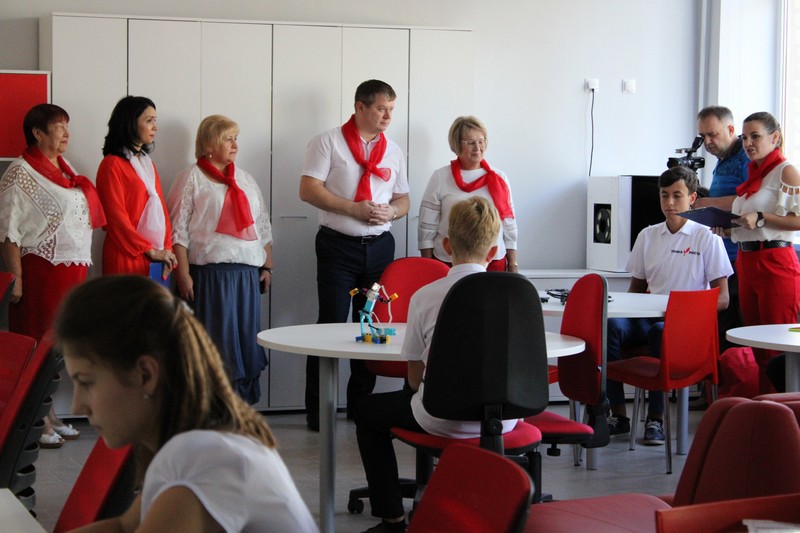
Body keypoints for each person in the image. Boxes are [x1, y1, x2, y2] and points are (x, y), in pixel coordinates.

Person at [54, 275, 318, 533]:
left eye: (86, 382)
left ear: (145, 375)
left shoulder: (208, 458)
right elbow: (124, 527)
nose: (77, 407)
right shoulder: (191, 446)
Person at [354, 196, 504, 533]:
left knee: (366, 411)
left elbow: (413, 380)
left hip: (441, 417)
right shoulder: (517, 294)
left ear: (446, 246)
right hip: (503, 420)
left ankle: (392, 519)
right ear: (494, 252)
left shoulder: (426, 296)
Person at [299, 80, 410, 431]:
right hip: (338, 247)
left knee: (369, 326)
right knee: (330, 324)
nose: (388, 116)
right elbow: (308, 190)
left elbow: (404, 199)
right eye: (381, 109)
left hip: (379, 249)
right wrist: (353, 209)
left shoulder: (393, 150)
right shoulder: (328, 142)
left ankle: (360, 408)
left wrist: (392, 212)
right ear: (360, 107)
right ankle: (319, 412)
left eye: (391, 109)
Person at [0, 103, 106, 448]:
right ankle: (34, 418)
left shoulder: (65, 167)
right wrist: (15, 279)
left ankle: (47, 411)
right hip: (42, 272)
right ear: (37, 132)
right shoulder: (20, 172)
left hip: (71, 270)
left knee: (61, 346)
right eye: (59, 127)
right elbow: (9, 231)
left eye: (67, 126)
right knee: (38, 344)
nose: (66, 134)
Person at [606, 166, 732, 445]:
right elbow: (635, 290)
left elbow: (723, 298)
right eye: (665, 195)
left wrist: (686, 311)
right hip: (648, 318)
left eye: (677, 195)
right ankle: (618, 415)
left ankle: (656, 419)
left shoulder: (707, 237)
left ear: (692, 198)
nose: (670, 203)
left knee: (660, 332)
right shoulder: (648, 235)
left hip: (687, 325)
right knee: (611, 328)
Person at [167, 115, 273, 405]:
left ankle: (240, 408)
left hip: (246, 277)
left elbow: (262, 226)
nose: (235, 144)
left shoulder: (245, 179)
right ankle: (211, 407)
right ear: (209, 144)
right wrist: (183, 274)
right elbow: (178, 231)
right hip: (210, 278)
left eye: (236, 138)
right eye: (228, 139)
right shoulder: (191, 177)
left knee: (245, 342)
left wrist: (267, 266)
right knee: (216, 344)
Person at [719, 111, 800, 393]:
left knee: (776, 346)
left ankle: (783, 410)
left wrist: (762, 217)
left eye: (755, 136)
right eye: (744, 138)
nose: (748, 143)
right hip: (747, 260)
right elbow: (749, 223)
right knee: (756, 344)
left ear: (774, 137)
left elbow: (798, 220)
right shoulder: (754, 175)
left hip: (774, 261)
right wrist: (728, 229)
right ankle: (764, 408)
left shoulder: (785, 171)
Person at [418, 115, 519, 272]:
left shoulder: (499, 178)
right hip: (449, 261)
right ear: (457, 145)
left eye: (481, 141)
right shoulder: (440, 177)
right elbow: (426, 226)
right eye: (471, 143)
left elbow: (509, 223)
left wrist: (513, 264)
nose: (477, 148)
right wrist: (428, 266)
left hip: (492, 261)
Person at [96, 96, 178, 280]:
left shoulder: (148, 163)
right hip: (126, 253)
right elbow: (115, 217)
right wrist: (149, 250)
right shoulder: (112, 164)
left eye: (155, 120)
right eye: (149, 121)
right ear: (130, 123)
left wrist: (166, 248)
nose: (155, 127)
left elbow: (162, 210)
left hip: (154, 255)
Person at [694, 106, 750, 351]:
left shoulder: (745, 158)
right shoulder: (721, 161)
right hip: (721, 254)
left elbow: (750, 200)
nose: (707, 142)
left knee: (733, 334)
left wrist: (708, 204)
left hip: (739, 257)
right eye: (703, 136)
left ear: (731, 129)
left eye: (712, 134)